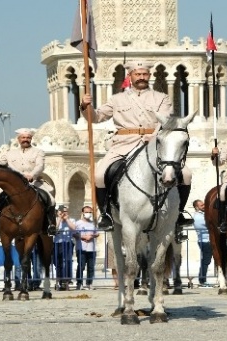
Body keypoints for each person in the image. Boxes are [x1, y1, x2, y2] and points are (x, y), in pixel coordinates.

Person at [80, 60, 193, 240]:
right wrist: (85, 107)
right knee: (100, 175)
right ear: (130, 76)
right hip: (124, 143)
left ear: (149, 76)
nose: (141, 77)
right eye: (137, 74)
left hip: (153, 144)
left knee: (185, 174)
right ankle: (106, 215)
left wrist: (155, 136)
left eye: (144, 74)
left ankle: (178, 215)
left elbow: (165, 121)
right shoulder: (117, 99)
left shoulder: (161, 98)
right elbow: (96, 117)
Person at [0, 128, 57, 236]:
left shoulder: (39, 152)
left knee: (51, 200)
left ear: (31, 139)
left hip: (34, 182)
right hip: (15, 184)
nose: (26, 139)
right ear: (18, 139)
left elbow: (40, 166)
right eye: (23, 137)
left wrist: (31, 175)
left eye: (28, 137)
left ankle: (51, 225)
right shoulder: (10, 153)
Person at [73, 206, 99, 290]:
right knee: (81, 265)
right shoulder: (78, 223)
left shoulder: (93, 223)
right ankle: (79, 283)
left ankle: (89, 283)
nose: (88, 214)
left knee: (91, 267)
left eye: (90, 212)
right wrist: (83, 237)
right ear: (83, 213)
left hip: (91, 248)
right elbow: (74, 234)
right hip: (81, 248)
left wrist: (91, 236)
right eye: (87, 212)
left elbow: (97, 233)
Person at [192, 199, 213, 287]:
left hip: (207, 240)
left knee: (206, 260)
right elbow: (209, 224)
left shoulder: (203, 215)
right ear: (197, 207)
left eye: (204, 204)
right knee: (205, 261)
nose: (204, 206)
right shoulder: (198, 217)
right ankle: (202, 279)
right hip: (205, 241)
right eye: (202, 205)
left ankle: (202, 278)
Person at [53, 206, 75, 290]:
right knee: (58, 262)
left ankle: (66, 280)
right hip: (57, 243)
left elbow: (74, 228)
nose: (63, 213)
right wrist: (59, 219)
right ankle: (59, 280)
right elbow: (54, 229)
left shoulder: (71, 220)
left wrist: (66, 219)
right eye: (61, 212)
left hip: (68, 242)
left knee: (67, 261)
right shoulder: (55, 220)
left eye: (65, 211)